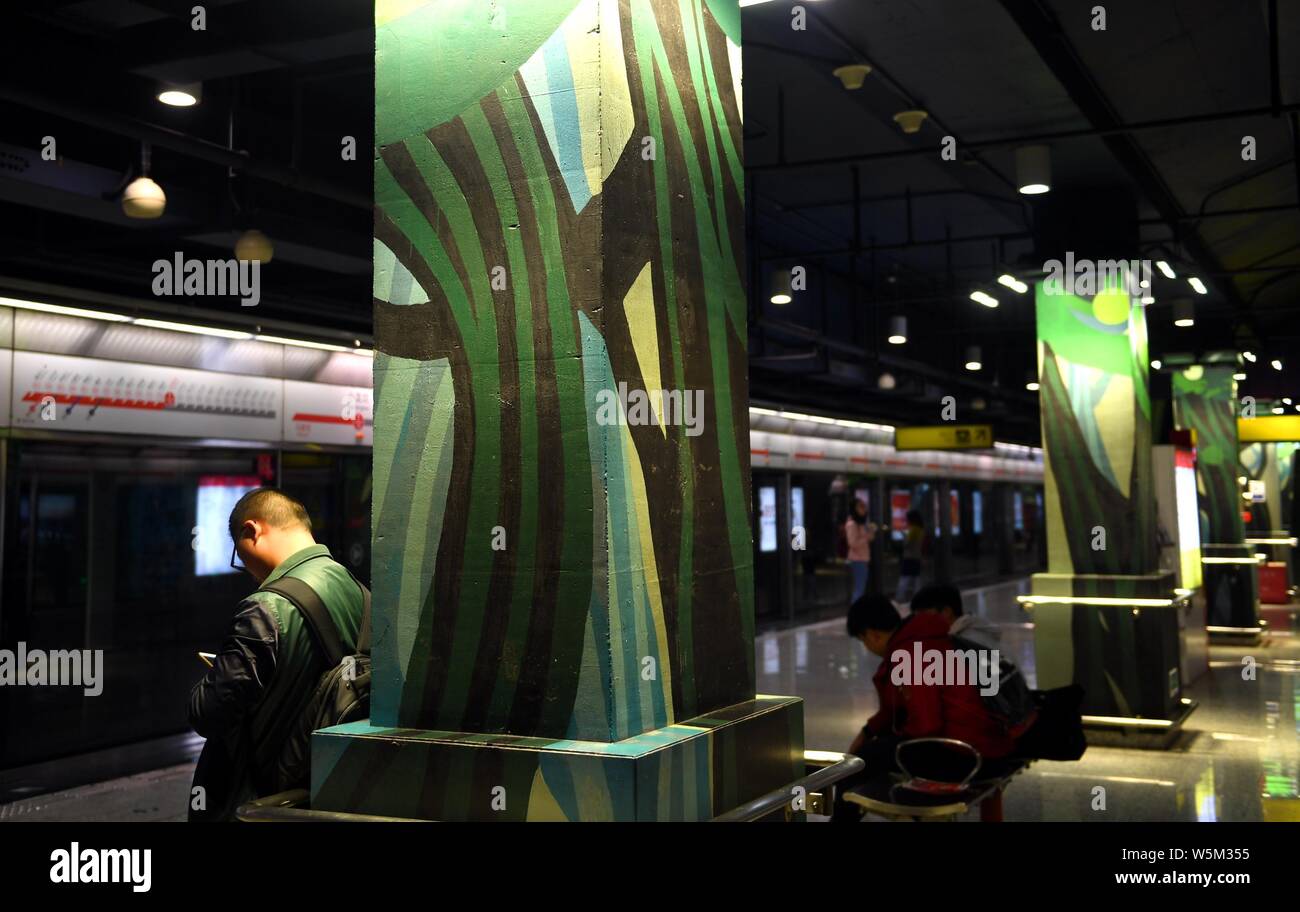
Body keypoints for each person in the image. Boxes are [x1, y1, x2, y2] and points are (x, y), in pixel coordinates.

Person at [188, 488, 366, 821]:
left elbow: (208, 712)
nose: (249, 571)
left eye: (240, 557)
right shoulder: (359, 592)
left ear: (251, 532)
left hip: (263, 800)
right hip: (325, 789)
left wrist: (216, 675)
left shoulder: (266, 607)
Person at [832, 594, 1017, 822]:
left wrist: (885, 742)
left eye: (863, 641)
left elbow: (927, 724)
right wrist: (869, 731)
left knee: (856, 766)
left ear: (871, 634)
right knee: (873, 752)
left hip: (969, 756)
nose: (867, 646)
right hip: (990, 745)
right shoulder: (926, 637)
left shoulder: (910, 652)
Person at [909, 583, 1001, 649]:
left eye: (922, 616)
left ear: (946, 612)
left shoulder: (971, 643)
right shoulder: (968, 634)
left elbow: (991, 675)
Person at [843, 498, 877, 603]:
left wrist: (870, 532)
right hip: (857, 560)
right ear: (854, 509)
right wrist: (867, 536)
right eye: (860, 506)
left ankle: (857, 612)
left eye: (864, 506)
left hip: (863, 559)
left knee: (860, 588)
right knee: (859, 589)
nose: (864, 509)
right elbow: (852, 543)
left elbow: (869, 538)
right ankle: (855, 613)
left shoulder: (860, 523)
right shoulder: (852, 524)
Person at [894, 509, 925, 603]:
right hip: (917, 557)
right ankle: (918, 598)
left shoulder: (914, 530)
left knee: (904, 579)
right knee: (916, 579)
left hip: (909, 558)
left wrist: (903, 536)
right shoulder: (920, 529)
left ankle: (900, 598)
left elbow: (907, 544)